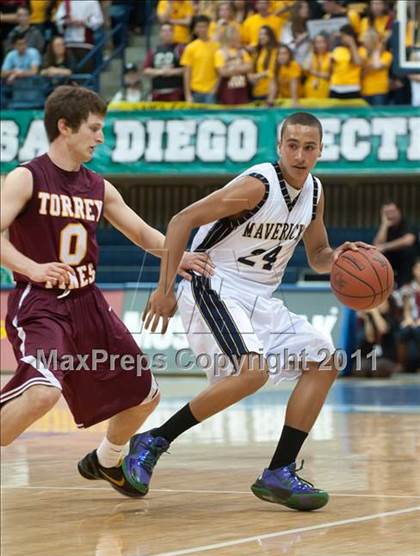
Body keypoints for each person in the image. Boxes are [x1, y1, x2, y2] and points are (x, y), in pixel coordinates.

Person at [122, 112, 372, 510]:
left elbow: (319, 255)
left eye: (309, 147)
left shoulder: (315, 193)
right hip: (214, 282)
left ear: (321, 151)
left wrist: (339, 255)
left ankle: (279, 471)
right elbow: (181, 219)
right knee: (252, 372)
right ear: (279, 147)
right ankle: (154, 440)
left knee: (325, 360)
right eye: (292, 145)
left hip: (260, 297)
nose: (300, 154)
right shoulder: (258, 186)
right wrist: (164, 289)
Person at [0, 86, 213, 500]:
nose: (101, 137)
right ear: (65, 127)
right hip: (41, 303)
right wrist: (32, 267)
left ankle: (107, 460)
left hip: (89, 303)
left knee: (144, 395)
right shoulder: (27, 176)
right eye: (95, 129)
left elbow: (140, 232)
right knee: (42, 392)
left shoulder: (99, 186)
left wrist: (179, 257)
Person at [373, 202, 418, 288]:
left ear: (399, 211)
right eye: (386, 212)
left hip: (409, 261)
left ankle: (405, 286)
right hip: (392, 260)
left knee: (407, 251)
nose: (390, 215)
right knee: (378, 256)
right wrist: (384, 225)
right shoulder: (386, 226)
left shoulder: (408, 223)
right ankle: (382, 286)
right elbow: (377, 246)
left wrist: (385, 247)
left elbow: (408, 240)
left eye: (392, 211)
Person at [180, 15, 219, 104]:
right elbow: (187, 72)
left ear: (208, 27)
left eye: (204, 26)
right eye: (199, 27)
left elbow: (219, 71)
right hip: (195, 91)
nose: (202, 29)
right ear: (195, 29)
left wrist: (215, 89)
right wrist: (187, 94)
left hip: (211, 91)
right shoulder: (190, 48)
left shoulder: (216, 46)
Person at [143, 23, 184, 102]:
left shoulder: (180, 49)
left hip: (176, 92)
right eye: (164, 31)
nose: (167, 33)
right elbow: (146, 70)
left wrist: (173, 72)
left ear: (173, 33)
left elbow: (187, 69)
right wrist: (161, 72)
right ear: (160, 33)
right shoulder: (154, 50)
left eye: (169, 31)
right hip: (157, 92)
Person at [215, 25, 252, 105]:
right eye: (235, 38)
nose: (238, 39)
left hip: (242, 89)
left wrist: (232, 69)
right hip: (227, 90)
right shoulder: (220, 53)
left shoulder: (242, 52)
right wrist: (241, 68)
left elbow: (249, 67)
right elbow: (222, 72)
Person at [329, 25, 365, 99]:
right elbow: (331, 68)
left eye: (343, 36)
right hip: (335, 88)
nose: (341, 38)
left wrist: (352, 43)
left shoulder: (361, 50)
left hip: (352, 88)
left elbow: (358, 63)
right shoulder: (337, 49)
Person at [397, 259, 420, 372]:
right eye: (418, 269)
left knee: (417, 330)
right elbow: (406, 308)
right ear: (413, 270)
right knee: (404, 330)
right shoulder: (408, 288)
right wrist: (408, 318)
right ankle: (401, 364)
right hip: (412, 320)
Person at [360, 29, 392, 105]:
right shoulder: (362, 52)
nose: (364, 43)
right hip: (365, 91)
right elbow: (361, 73)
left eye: (367, 41)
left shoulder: (387, 55)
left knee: (378, 115)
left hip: (380, 91)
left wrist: (376, 50)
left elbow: (376, 66)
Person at [248, 25, 278, 101]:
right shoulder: (257, 52)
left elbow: (272, 70)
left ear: (270, 36)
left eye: (264, 34)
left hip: (270, 92)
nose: (261, 36)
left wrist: (257, 76)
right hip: (256, 91)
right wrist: (250, 77)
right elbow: (251, 69)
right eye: (260, 34)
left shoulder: (275, 51)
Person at [303, 33, 331, 99]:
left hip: (326, 90)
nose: (320, 45)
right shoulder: (311, 56)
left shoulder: (331, 56)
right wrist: (311, 51)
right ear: (314, 44)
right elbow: (305, 68)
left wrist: (314, 72)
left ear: (327, 43)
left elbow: (329, 75)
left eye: (323, 42)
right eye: (317, 42)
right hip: (310, 90)